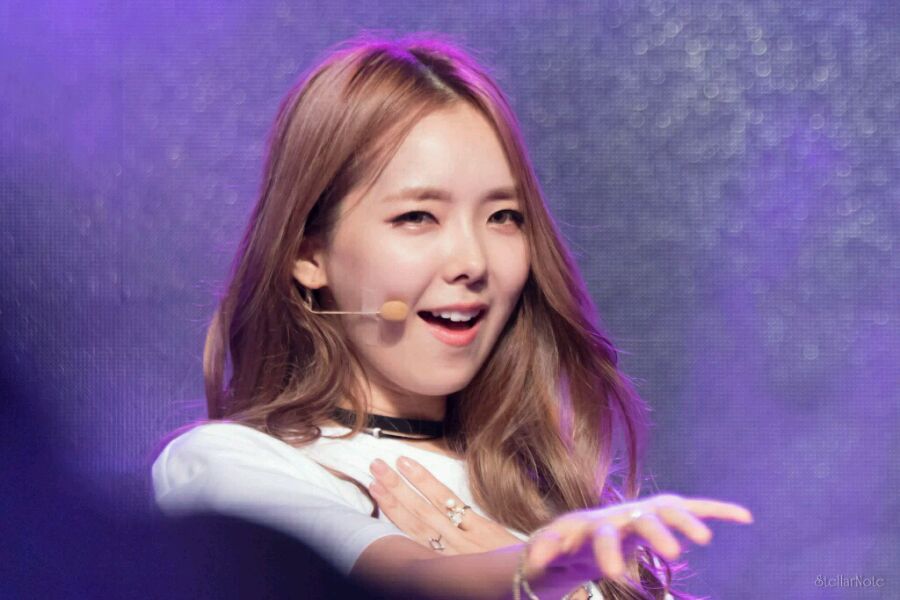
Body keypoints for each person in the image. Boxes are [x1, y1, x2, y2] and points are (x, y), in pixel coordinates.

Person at [151, 32, 753, 599]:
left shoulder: (548, 495)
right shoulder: (230, 465)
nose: (473, 262)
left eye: (503, 217)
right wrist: (533, 571)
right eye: (417, 217)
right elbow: (393, 578)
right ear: (308, 255)